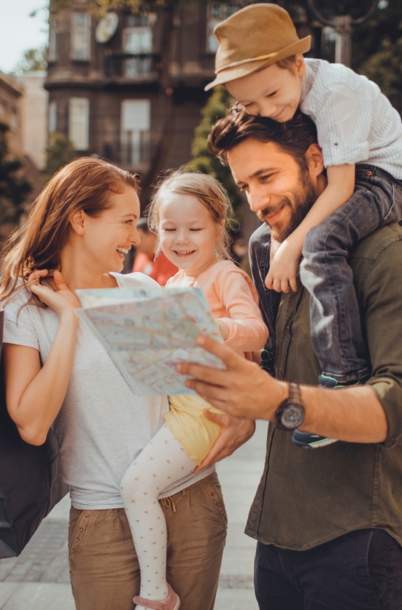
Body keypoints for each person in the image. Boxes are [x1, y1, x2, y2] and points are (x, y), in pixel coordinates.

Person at [175, 109, 402, 609]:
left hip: (360, 542)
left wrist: (281, 401)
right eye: (245, 184)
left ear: (317, 161)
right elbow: (276, 368)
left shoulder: (393, 258)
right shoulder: (267, 253)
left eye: (267, 177)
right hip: (276, 535)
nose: (256, 200)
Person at [0, 158, 254, 610]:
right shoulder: (26, 308)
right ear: (79, 220)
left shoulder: (144, 289)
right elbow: (32, 426)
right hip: (103, 517)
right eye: (127, 222)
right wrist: (71, 319)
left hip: (192, 501)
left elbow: (205, 374)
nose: (138, 237)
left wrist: (242, 416)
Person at [206, 5, 402, 449]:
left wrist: (293, 249)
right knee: (261, 241)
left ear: (298, 64)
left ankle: (343, 375)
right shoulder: (274, 95)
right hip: (353, 176)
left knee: (322, 243)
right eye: (250, 104)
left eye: (270, 95)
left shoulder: (335, 92)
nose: (269, 112)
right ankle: (271, 360)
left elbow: (342, 184)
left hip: (387, 177)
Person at [120, 170, 268, 610]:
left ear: (218, 227)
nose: (181, 239)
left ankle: (156, 591)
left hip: (205, 410)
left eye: (194, 228)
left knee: (136, 485)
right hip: (178, 400)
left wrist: (214, 325)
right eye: (169, 229)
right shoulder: (174, 284)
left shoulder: (225, 275)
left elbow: (257, 332)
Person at [132, 217, 178, 286]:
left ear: (152, 236)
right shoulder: (140, 257)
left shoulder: (168, 257)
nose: (135, 243)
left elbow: (164, 286)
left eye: (140, 238)